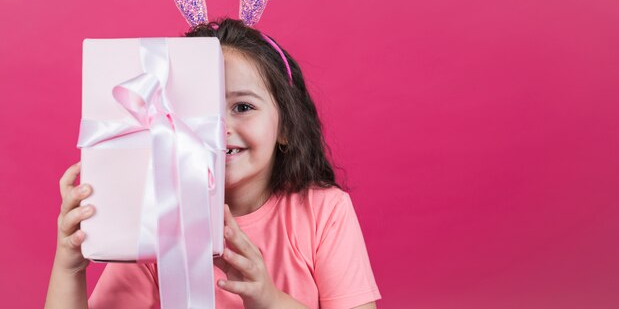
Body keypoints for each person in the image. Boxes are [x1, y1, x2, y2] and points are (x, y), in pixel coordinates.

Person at [45, 18, 381, 309]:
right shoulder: (157, 216)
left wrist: (266, 297)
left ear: (287, 127)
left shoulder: (325, 212)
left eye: (243, 107)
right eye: (201, 109)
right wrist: (69, 266)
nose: (221, 128)